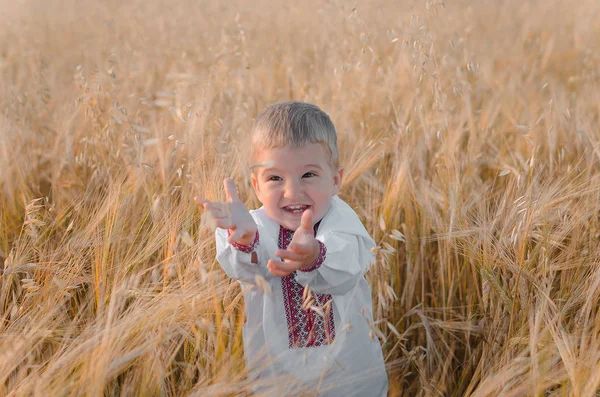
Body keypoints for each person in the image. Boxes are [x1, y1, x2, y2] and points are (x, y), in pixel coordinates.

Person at [196, 101, 388, 396]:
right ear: (256, 186)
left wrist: (314, 256)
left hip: (349, 376)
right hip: (277, 374)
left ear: (335, 179)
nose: (292, 192)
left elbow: (348, 267)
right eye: (275, 178)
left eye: (308, 175)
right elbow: (240, 269)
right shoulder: (252, 224)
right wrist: (245, 239)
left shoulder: (342, 221)